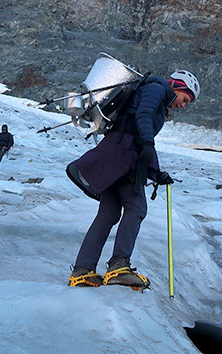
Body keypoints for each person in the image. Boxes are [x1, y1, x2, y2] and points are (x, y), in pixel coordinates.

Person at [67, 70, 200, 289]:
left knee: (108, 213)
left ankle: (82, 271)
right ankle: (119, 267)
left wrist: (156, 173)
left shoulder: (152, 90)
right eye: (185, 99)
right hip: (123, 156)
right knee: (136, 207)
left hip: (114, 153)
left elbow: (139, 133)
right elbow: (143, 118)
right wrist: (148, 145)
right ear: (176, 86)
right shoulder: (157, 88)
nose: (184, 105)